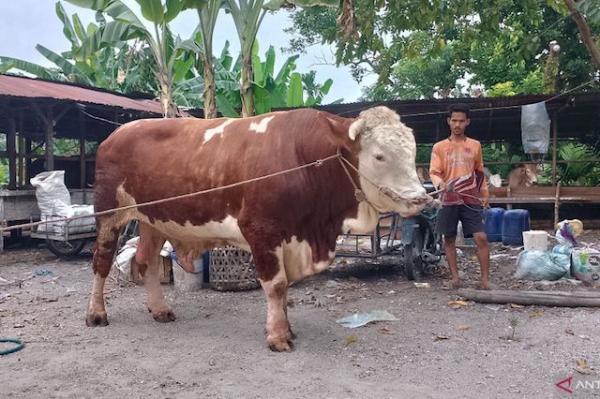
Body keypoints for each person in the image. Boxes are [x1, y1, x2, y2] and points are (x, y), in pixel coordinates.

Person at [429, 104, 490, 290]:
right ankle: (455, 278)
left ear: (467, 122)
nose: (457, 124)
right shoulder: (439, 147)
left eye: (461, 121)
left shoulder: (475, 145)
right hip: (448, 199)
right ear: (448, 121)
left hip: (470, 198)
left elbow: (479, 172)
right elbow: (434, 172)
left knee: (481, 238)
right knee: (449, 238)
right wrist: (441, 184)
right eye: (454, 120)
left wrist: (485, 193)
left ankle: (485, 280)